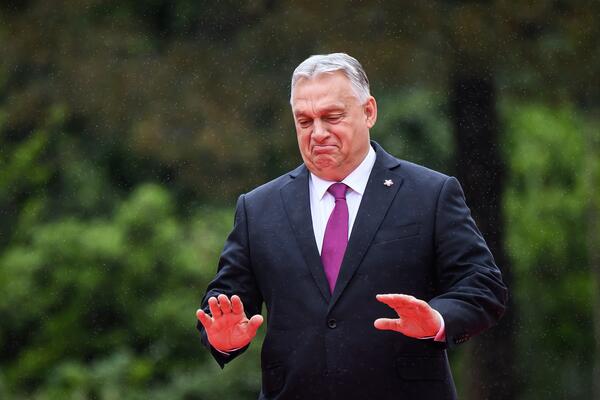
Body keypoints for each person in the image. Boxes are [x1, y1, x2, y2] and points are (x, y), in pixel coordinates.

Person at [196, 52, 507, 400]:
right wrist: (222, 338)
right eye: (304, 121)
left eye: (332, 117)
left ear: (369, 111)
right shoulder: (258, 208)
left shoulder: (429, 193)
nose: (318, 133)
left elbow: (483, 287)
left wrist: (437, 319)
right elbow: (223, 304)